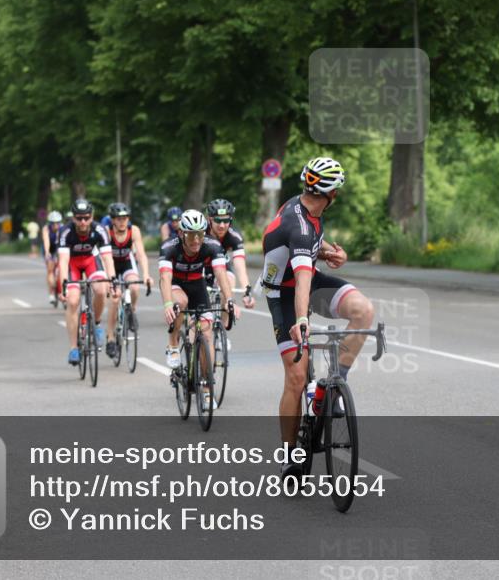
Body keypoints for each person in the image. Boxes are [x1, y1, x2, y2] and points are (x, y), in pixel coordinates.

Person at [260, 157, 375, 479]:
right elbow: (302, 277)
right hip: (283, 293)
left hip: (305, 277)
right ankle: (288, 454)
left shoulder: (306, 208)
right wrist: (302, 320)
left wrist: (329, 252)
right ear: (333, 193)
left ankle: (335, 381)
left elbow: (311, 246)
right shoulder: (297, 227)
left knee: (363, 311)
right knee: (296, 377)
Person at [159, 209, 232, 410]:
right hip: (175, 284)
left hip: (196, 284)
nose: (197, 239)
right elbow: (165, 278)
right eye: (192, 234)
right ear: (182, 233)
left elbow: (220, 273)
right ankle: (173, 345)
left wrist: (230, 299)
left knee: (206, 333)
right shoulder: (169, 247)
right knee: (180, 303)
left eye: (200, 233)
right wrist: (167, 304)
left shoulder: (211, 245)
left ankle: (207, 390)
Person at [57, 198, 120, 365]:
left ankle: (97, 324)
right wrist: (63, 286)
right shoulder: (65, 231)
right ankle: (73, 348)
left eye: (86, 217)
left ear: (92, 217)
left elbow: (107, 258)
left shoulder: (99, 229)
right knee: (73, 301)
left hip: (92, 261)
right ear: (73, 218)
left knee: (101, 290)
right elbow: (63, 261)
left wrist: (112, 281)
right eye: (79, 218)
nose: (83, 221)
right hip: (73, 265)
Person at [104, 203, 152, 357]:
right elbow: (102, 257)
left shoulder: (134, 230)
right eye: (118, 219)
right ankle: (110, 338)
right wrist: (106, 280)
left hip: (126, 263)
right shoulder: (107, 232)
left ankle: (132, 311)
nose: (122, 222)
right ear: (112, 220)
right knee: (115, 298)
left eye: (125, 218)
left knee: (135, 287)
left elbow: (141, 254)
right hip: (110, 264)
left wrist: (146, 274)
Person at [204, 198, 255, 314]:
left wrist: (247, 291)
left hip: (222, 265)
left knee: (228, 291)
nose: (222, 225)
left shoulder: (234, 237)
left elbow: (240, 266)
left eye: (226, 220)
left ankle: (220, 327)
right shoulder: (201, 233)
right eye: (217, 220)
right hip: (200, 266)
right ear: (209, 219)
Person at [41, 211, 64, 306]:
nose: (55, 225)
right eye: (53, 223)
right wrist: (47, 253)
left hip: (59, 248)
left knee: (63, 268)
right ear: (49, 223)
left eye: (57, 223)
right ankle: (51, 294)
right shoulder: (46, 229)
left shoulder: (62, 228)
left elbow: (62, 242)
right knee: (50, 269)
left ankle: (62, 290)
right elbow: (46, 241)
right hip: (49, 249)